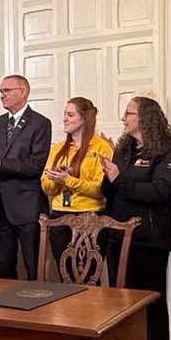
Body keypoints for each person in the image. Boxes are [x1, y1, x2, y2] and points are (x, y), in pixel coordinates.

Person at [100, 96, 171, 340]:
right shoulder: (123, 149)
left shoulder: (167, 151)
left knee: (150, 299)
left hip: (148, 237)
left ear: (145, 117)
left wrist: (119, 179)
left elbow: (159, 192)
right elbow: (110, 190)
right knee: (122, 300)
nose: (124, 118)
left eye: (129, 113)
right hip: (118, 236)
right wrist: (108, 175)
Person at [0, 75, 52, 279]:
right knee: (4, 268)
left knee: (33, 267)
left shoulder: (40, 123)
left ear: (23, 92)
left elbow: (35, 166)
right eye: (1, 91)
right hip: (0, 205)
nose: (2, 95)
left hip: (27, 205)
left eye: (6, 91)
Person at [40, 97, 112, 260]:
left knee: (90, 275)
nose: (65, 119)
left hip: (91, 217)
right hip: (60, 217)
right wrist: (56, 179)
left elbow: (101, 189)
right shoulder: (57, 149)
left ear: (85, 118)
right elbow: (46, 187)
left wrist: (69, 180)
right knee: (65, 276)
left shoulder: (102, 148)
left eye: (70, 115)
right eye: (65, 114)